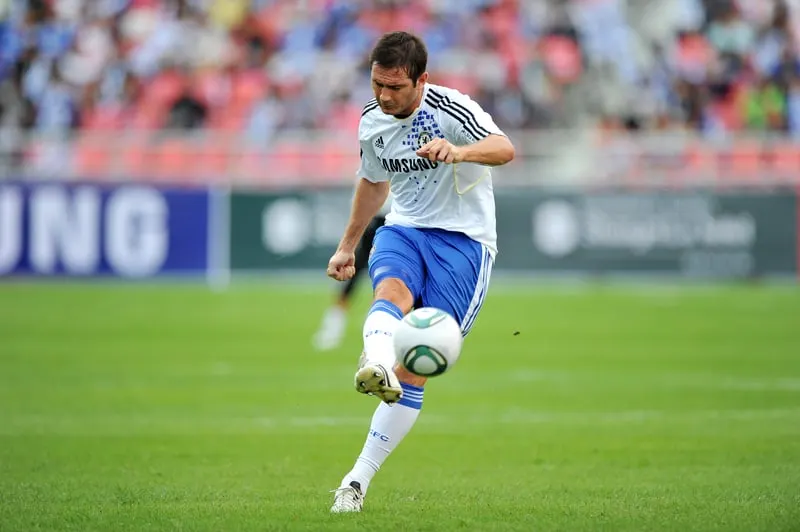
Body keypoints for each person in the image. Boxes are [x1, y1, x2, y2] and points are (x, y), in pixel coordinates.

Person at [326, 31, 515, 513]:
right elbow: (372, 183)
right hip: (405, 227)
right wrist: (348, 246)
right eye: (376, 84)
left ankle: (359, 476)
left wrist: (461, 151)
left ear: (422, 81)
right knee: (390, 290)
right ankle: (376, 364)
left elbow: (504, 148)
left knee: (417, 368)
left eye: (395, 87)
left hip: (464, 244)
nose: (384, 96)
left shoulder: (452, 111)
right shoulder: (371, 123)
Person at [312, 211, 386, 351]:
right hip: (379, 219)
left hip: (397, 219)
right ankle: (334, 325)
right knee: (353, 272)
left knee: (387, 278)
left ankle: (376, 322)